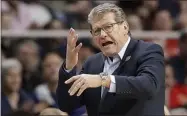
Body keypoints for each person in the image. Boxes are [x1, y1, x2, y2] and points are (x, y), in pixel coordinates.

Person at [57, 3, 165, 116]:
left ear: (125, 27)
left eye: (108, 27)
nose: (102, 35)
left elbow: (149, 86)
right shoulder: (92, 63)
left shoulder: (148, 51)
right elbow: (67, 105)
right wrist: (69, 67)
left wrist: (103, 80)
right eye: (97, 31)